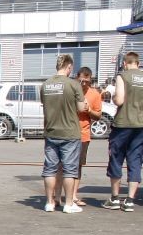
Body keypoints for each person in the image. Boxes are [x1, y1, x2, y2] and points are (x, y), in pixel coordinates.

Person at [40, 53, 86, 213]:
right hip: (70, 132)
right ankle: (69, 204)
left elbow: (45, 105)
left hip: (51, 131)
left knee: (49, 169)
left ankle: (49, 203)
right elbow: (81, 108)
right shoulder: (73, 84)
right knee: (70, 170)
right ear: (69, 67)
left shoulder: (45, 85)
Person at [105, 51, 143, 211]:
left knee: (116, 158)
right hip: (140, 125)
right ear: (138, 63)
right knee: (135, 160)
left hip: (122, 124)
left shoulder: (122, 76)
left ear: (124, 63)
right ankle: (130, 200)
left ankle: (114, 199)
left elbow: (119, 100)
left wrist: (113, 97)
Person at [71, 67, 102, 207]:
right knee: (62, 165)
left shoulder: (94, 94)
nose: (84, 84)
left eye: (87, 81)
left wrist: (89, 109)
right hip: (68, 132)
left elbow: (98, 115)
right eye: (81, 80)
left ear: (90, 80)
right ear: (77, 78)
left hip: (83, 134)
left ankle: (73, 196)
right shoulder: (71, 90)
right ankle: (58, 195)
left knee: (77, 166)